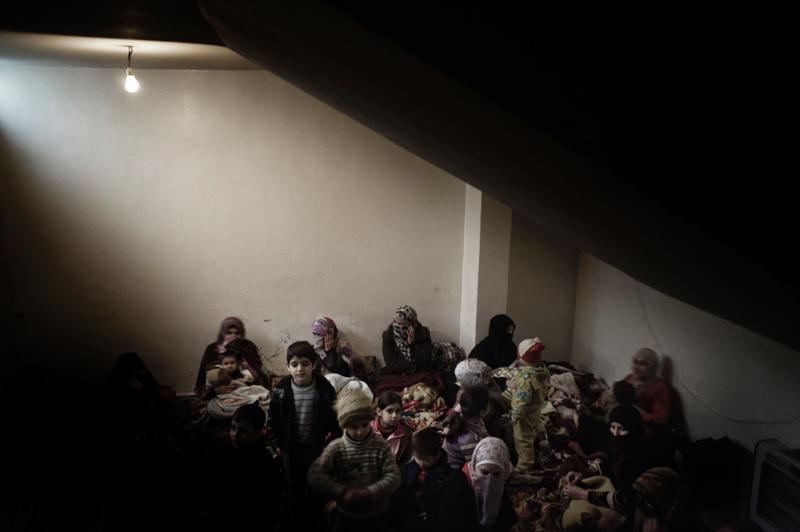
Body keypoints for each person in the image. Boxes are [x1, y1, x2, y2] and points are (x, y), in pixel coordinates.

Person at [561, 405, 673, 531]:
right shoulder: (625, 445)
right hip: (628, 495)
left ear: (634, 428)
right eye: (613, 428)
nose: (616, 433)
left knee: (606, 522)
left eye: (621, 429)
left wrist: (583, 494)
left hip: (650, 507)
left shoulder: (645, 457)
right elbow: (610, 463)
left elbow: (627, 500)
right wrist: (583, 474)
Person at [267, 341, 341, 527]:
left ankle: (317, 519)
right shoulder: (282, 389)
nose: (300, 369)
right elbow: (272, 420)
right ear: (288, 367)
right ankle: (298, 521)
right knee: (294, 485)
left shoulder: (324, 388)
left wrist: (331, 444)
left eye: (305, 364)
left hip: (316, 447)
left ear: (314, 364)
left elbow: (335, 419)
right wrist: (278, 444)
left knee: (316, 484)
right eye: (294, 364)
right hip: (290, 447)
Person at [307, 389, 401, 532]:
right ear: (345, 426)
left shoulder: (380, 446)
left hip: (378, 514)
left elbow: (394, 476)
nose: (360, 431)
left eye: (364, 425)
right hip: (347, 515)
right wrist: (341, 491)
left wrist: (369, 492)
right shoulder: (336, 448)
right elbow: (315, 474)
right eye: (354, 427)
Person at [201, 403, 282, 532]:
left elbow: (271, 498)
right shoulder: (221, 452)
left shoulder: (264, 461)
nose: (235, 434)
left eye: (243, 430)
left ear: (258, 433)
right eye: (233, 428)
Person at [431, 437, 516, 532]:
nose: (489, 480)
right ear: (474, 467)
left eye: (496, 474)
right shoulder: (455, 488)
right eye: (484, 472)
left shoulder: (499, 482)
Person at [390, 427, 453, 532]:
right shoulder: (407, 469)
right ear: (413, 453)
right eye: (419, 459)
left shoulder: (448, 477)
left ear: (438, 455)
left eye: (426, 460)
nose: (422, 464)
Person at [509, 337, 551, 473]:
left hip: (524, 413)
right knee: (530, 433)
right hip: (536, 408)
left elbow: (523, 399)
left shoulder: (526, 379)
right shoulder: (543, 371)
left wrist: (516, 415)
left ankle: (524, 465)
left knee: (522, 438)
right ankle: (532, 450)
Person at [195, 317, 266, 395]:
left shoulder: (248, 347)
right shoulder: (212, 349)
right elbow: (202, 378)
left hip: (246, 391)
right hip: (218, 393)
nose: (233, 336)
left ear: (242, 334)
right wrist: (215, 390)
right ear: (223, 333)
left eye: (237, 333)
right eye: (229, 333)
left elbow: (256, 374)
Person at [443, 386, 489, 469]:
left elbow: (484, 433)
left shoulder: (474, 419)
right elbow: (474, 464)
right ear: (482, 411)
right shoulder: (468, 438)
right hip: (455, 468)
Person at [624, 348, 672, 426]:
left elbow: (659, 422)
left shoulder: (660, 388)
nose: (636, 367)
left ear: (654, 367)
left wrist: (630, 407)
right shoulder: (629, 378)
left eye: (643, 363)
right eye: (635, 362)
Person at [381, 305, 434, 375]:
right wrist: (410, 368)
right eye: (395, 322)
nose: (397, 326)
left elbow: (426, 360)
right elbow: (391, 364)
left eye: (401, 323)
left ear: (411, 325)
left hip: (419, 372)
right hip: (397, 374)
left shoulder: (423, 333)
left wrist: (412, 345)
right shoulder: (388, 336)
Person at [371, 391, 413, 465]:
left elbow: (405, 462)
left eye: (398, 411)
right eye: (389, 411)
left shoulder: (406, 434)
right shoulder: (367, 430)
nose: (394, 415)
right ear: (379, 412)